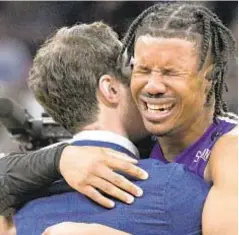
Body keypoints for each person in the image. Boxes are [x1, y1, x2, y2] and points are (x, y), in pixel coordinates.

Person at [1, 2, 237, 234]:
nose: (152, 86)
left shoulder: (229, 150)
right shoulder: (120, 142)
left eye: (171, 72)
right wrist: (59, 158)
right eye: (142, 70)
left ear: (210, 78)